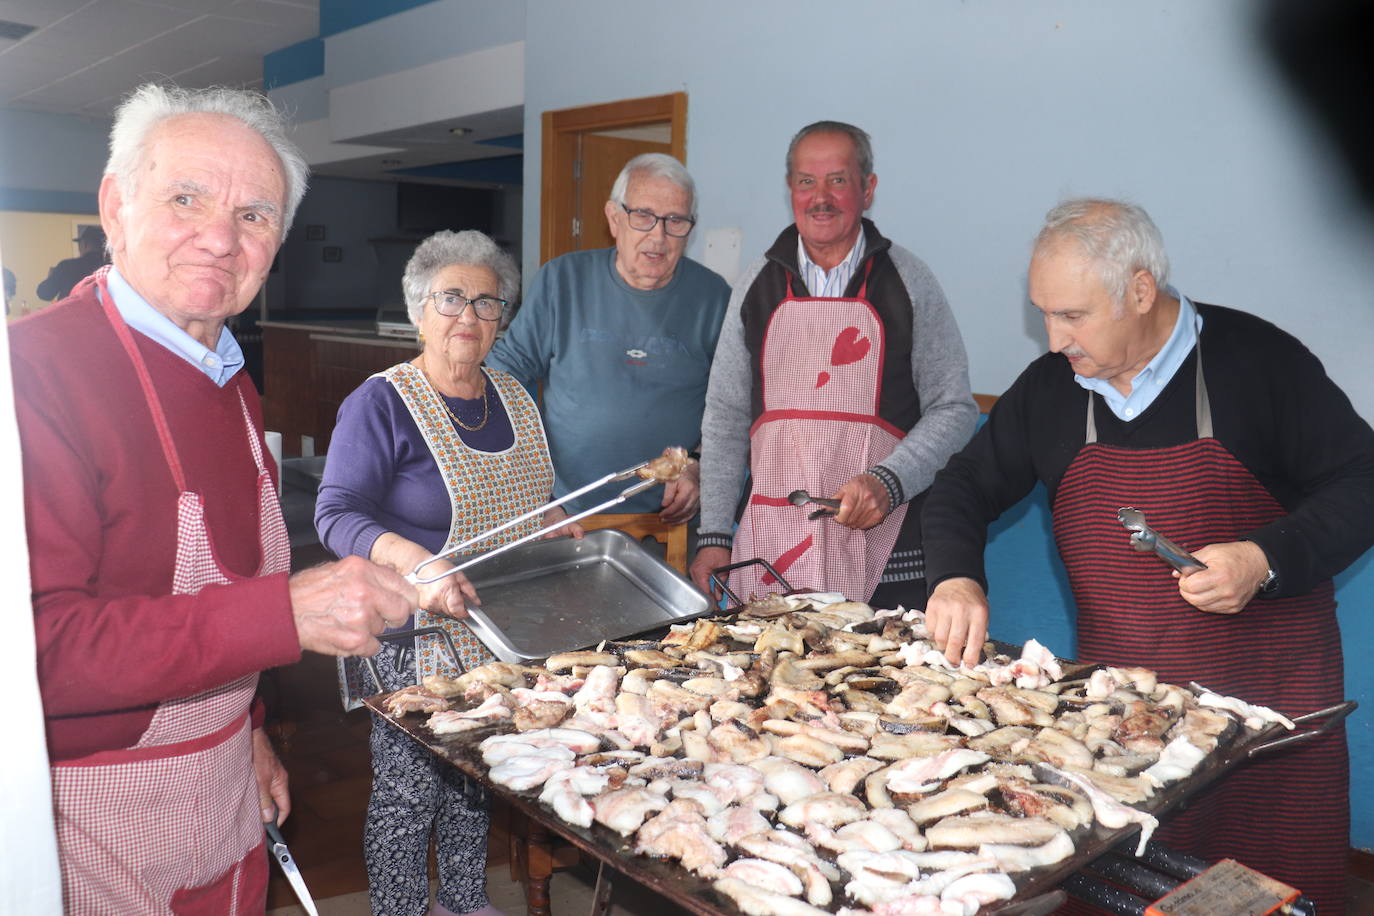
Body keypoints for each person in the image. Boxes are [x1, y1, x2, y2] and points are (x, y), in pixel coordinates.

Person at [9, 83, 418, 914]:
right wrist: (285, 617)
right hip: (91, 817)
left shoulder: (228, 374)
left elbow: (214, 585)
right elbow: (36, 657)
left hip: (225, 780)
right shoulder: (28, 376)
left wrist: (252, 727)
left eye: (256, 215)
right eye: (186, 198)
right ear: (115, 206)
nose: (220, 240)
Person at [922, 198, 1374, 913]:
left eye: (1072, 315)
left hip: (1270, 723)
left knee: (1271, 897)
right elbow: (962, 488)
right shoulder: (1051, 392)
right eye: (1043, 313)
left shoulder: (1256, 363)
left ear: (1140, 291)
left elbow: (1362, 479)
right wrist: (955, 577)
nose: (1054, 337)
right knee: (1134, 893)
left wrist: (1263, 559)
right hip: (1126, 727)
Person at [315, 229, 580, 916]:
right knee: (409, 792)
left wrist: (553, 517)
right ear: (419, 309)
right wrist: (414, 556)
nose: (470, 316)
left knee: (477, 777)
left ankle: (464, 902)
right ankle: (400, 910)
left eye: (488, 303)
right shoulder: (381, 402)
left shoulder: (516, 397)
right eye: (452, 298)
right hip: (413, 632)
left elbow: (526, 491)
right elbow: (336, 512)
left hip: (503, 628)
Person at [690, 121, 977, 608]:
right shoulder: (755, 286)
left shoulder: (909, 281)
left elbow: (954, 409)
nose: (820, 196)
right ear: (790, 189)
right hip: (771, 549)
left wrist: (889, 481)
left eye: (838, 180)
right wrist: (715, 533)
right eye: (807, 181)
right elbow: (725, 416)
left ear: (868, 188)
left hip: (891, 550)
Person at [486, 152, 730, 524]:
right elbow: (504, 378)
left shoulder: (714, 298)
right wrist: (527, 481)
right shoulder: (562, 280)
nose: (658, 236)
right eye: (643, 216)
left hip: (669, 519)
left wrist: (698, 465)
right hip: (566, 512)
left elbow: (732, 407)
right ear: (614, 218)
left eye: (675, 220)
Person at [36, 224, 109, 302]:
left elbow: (45, 294)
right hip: (103, 313)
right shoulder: (111, 268)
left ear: (84, 244)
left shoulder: (67, 266)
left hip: (71, 313)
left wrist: (51, 276)